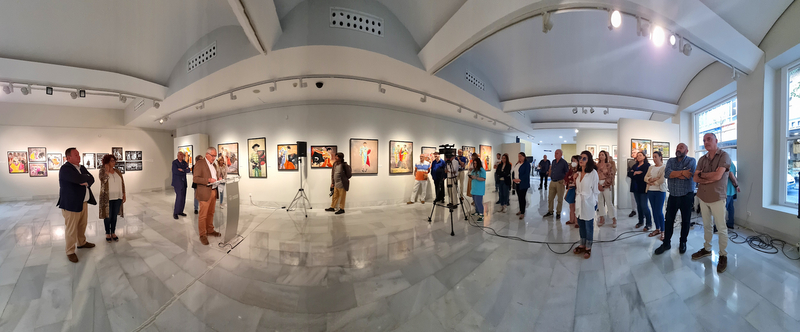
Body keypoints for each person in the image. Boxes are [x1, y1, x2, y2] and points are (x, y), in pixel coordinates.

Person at [692, 133, 732, 273]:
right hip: (703, 197)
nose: (706, 142)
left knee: (721, 228)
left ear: (716, 140)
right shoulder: (702, 159)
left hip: (717, 197)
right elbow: (695, 178)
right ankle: (707, 249)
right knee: (706, 225)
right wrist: (706, 178)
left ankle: (723, 255)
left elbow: (718, 175)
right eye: (704, 140)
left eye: (709, 139)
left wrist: (703, 175)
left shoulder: (724, 156)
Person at [654, 143, 696, 255]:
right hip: (673, 195)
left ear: (686, 151)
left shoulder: (691, 161)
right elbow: (667, 174)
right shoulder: (671, 161)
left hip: (686, 195)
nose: (678, 149)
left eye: (681, 147)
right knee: (668, 220)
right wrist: (682, 172)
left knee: (686, 221)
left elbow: (688, 175)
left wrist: (675, 174)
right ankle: (666, 243)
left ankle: (683, 242)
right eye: (677, 147)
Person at [57, 148, 96, 263]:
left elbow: (92, 178)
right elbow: (78, 179)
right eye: (76, 155)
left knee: (82, 225)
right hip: (71, 204)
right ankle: (70, 251)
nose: (79, 157)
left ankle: (82, 242)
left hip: (83, 202)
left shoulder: (81, 167)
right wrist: (85, 179)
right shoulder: (65, 169)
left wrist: (87, 180)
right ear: (68, 158)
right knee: (71, 228)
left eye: (79, 154)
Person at [573, 150, 600, 259]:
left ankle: (588, 246)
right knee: (581, 223)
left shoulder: (593, 173)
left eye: (584, 158)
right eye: (580, 158)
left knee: (588, 224)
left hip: (589, 201)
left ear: (589, 160)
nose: (581, 160)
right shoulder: (578, 173)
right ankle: (582, 243)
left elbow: (596, 190)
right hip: (579, 201)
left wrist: (595, 203)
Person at [193, 147, 222, 245]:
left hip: (213, 191)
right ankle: (202, 235)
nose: (214, 158)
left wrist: (218, 179)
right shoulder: (200, 164)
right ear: (207, 154)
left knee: (211, 213)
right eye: (213, 156)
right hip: (204, 193)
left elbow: (213, 177)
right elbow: (195, 179)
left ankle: (210, 230)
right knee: (203, 215)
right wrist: (208, 180)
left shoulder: (213, 165)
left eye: (215, 156)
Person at [99, 154, 126, 242]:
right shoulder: (102, 171)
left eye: (114, 161)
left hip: (117, 197)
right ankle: (108, 233)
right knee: (108, 216)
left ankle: (113, 232)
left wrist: (124, 194)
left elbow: (122, 183)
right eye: (112, 161)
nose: (114, 162)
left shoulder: (117, 171)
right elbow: (103, 180)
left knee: (114, 216)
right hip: (107, 198)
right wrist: (107, 171)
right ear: (107, 162)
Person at [645, 151, 668, 239]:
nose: (654, 159)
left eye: (656, 157)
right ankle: (657, 228)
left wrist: (652, 181)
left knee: (659, 211)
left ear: (660, 157)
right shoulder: (651, 168)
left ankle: (663, 230)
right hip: (650, 191)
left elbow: (662, 180)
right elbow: (645, 178)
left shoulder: (664, 167)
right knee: (654, 211)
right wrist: (651, 180)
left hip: (660, 191)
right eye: (653, 157)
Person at [629, 151, 652, 231]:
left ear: (644, 157)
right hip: (635, 188)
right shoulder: (635, 165)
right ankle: (640, 221)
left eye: (640, 155)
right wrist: (636, 173)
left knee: (644, 206)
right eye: (637, 156)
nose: (638, 157)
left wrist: (635, 174)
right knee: (638, 206)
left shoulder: (647, 166)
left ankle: (649, 223)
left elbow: (644, 177)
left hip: (643, 188)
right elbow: (629, 174)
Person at [544, 149, 568, 219]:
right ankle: (550, 211)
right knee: (550, 198)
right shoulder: (553, 161)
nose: (555, 154)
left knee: (559, 199)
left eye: (557, 153)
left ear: (561, 154)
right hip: (552, 182)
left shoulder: (564, 162)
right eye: (555, 153)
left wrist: (565, 181)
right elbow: (552, 170)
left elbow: (567, 172)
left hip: (560, 182)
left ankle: (558, 213)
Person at [596, 150, 617, 227]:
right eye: (600, 155)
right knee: (600, 202)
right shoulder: (597, 165)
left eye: (602, 155)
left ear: (605, 156)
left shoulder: (608, 165)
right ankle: (602, 218)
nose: (601, 156)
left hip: (606, 184)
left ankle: (613, 218)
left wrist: (604, 185)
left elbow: (611, 176)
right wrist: (598, 184)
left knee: (609, 202)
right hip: (598, 184)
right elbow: (594, 176)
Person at [512, 152, 532, 220]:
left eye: (520, 156)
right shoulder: (517, 163)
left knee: (522, 197)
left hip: (523, 183)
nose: (519, 158)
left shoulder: (527, 164)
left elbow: (526, 174)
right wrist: (513, 179)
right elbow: (514, 171)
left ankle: (523, 212)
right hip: (516, 183)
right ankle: (520, 210)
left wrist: (519, 179)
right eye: (518, 156)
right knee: (519, 197)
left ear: (524, 157)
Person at [172, 151, 189, 219]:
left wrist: (182, 170)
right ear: (177, 156)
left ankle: (180, 211)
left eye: (183, 155)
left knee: (183, 198)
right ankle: (175, 212)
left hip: (184, 183)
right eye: (180, 155)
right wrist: (184, 171)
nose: (182, 156)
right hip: (177, 183)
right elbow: (176, 171)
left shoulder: (185, 163)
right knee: (179, 198)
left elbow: (188, 171)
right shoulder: (175, 162)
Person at [564, 155, 580, 226]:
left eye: (574, 160)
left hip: (577, 189)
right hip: (570, 188)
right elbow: (567, 176)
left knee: (577, 206)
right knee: (571, 205)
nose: (573, 162)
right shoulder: (571, 169)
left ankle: (577, 222)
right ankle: (571, 219)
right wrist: (566, 182)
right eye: (572, 160)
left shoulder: (580, 170)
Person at [724, 162, 740, 229]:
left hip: (726, 190)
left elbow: (731, 175)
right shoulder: (732, 164)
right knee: (730, 208)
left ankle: (718, 226)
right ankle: (730, 223)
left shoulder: (728, 163)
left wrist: (736, 185)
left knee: (723, 209)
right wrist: (736, 185)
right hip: (731, 190)